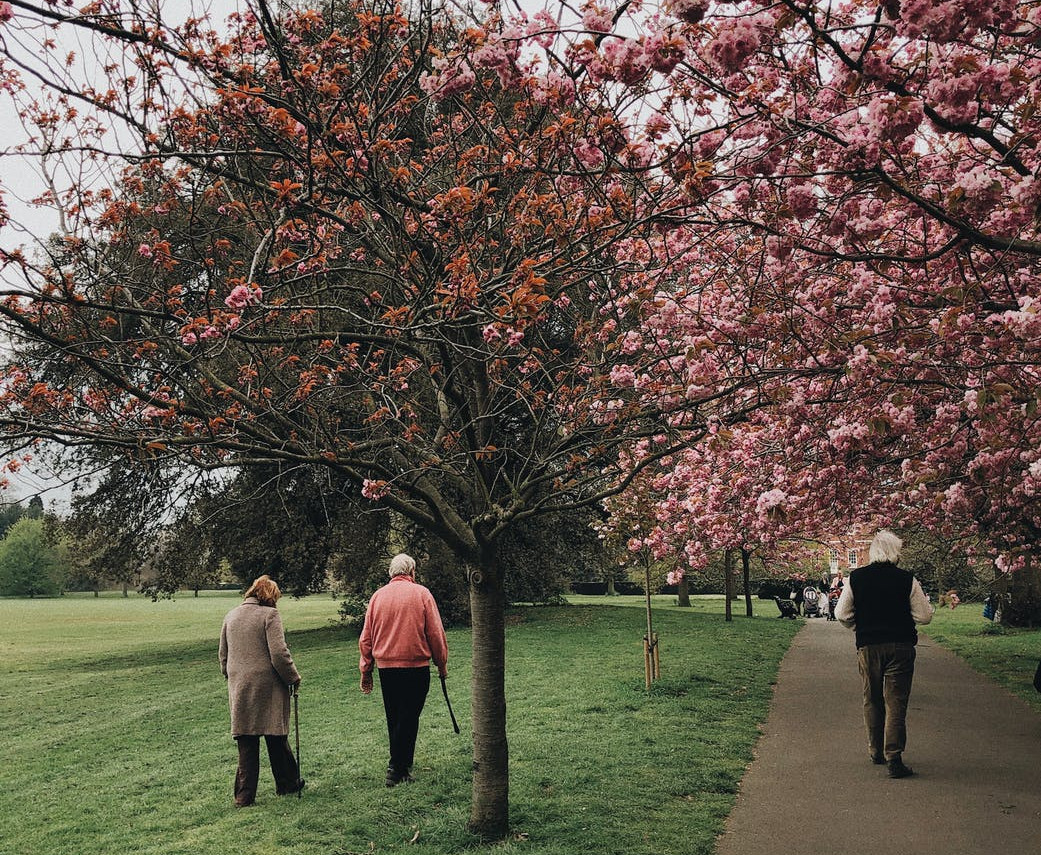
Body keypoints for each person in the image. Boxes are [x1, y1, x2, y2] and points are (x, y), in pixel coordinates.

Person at [835, 530, 933, 779]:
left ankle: (875, 750)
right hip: (900, 646)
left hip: (868, 646)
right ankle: (894, 757)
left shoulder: (856, 578)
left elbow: (841, 614)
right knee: (896, 701)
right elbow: (924, 616)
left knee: (872, 698)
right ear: (895, 552)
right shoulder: (906, 580)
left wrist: (861, 626)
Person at [359, 553, 449, 787]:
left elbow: (366, 638)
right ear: (412, 572)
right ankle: (396, 768)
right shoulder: (421, 594)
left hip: (386, 669)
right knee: (409, 717)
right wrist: (441, 663)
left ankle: (401, 764)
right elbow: (435, 634)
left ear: (391, 572)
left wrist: (366, 669)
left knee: (396, 716)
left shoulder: (377, 597)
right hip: (415, 667)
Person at [219, 574, 303, 806]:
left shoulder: (231, 615)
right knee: (275, 734)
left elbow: (223, 655)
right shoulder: (270, 615)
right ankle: (287, 783)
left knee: (246, 739)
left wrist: (233, 676)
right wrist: (293, 677)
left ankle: (244, 796)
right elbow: (279, 653)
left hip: (240, 685)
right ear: (270, 596)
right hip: (267, 684)